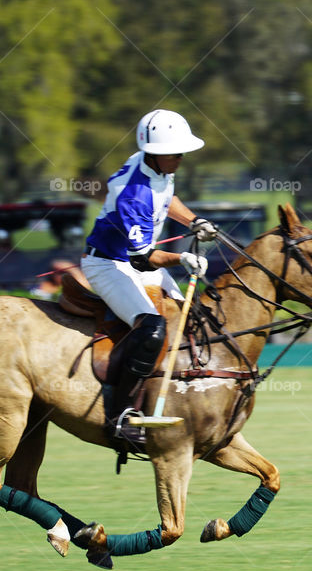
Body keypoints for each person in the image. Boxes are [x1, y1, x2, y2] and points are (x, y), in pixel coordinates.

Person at [80, 109, 216, 442]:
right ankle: (120, 414)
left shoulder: (155, 166)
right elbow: (142, 259)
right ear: (154, 152)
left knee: (192, 316)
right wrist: (182, 257)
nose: (181, 157)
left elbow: (166, 197)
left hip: (132, 258)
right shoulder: (133, 193)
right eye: (175, 152)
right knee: (152, 327)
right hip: (110, 264)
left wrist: (194, 221)